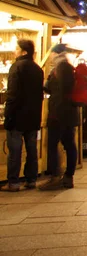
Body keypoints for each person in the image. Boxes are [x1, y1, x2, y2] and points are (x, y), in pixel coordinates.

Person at [1, 39, 44, 192]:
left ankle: (13, 182)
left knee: (15, 151)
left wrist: (8, 115)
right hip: (33, 117)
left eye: (16, 49)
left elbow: (13, 94)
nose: (14, 51)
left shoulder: (17, 67)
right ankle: (31, 179)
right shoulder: (38, 69)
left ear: (23, 52)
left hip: (17, 116)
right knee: (32, 149)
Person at [38, 44, 79, 190]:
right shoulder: (62, 67)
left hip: (60, 114)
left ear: (56, 53)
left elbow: (63, 91)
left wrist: (56, 113)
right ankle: (65, 177)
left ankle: (58, 177)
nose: (49, 56)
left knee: (56, 144)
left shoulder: (62, 67)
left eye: (51, 53)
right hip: (65, 113)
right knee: (67, 144)